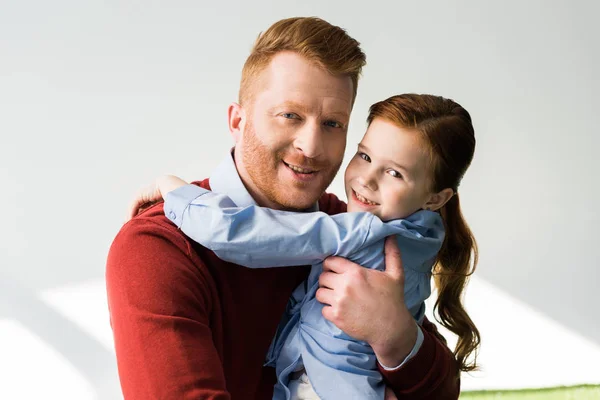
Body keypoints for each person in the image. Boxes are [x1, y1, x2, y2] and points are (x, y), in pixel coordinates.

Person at [107, 17, 464, 399]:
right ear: (238, 121)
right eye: (290, 115)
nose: (311, 147)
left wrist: (395, 336)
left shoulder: (348, 223)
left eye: (332, 123)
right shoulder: (158, 249)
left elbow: (444, 389)